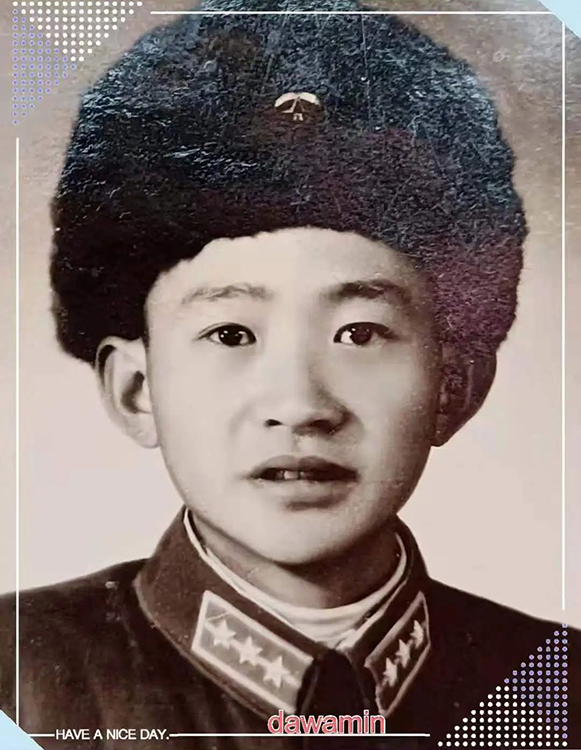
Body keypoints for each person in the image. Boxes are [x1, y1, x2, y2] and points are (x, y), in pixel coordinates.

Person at [1, 1, 578, 748]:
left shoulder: (552, 689)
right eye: (231, 333)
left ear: (454, 387)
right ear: (136, 390)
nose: (300, 405)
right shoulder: (17, 677)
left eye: (359, 333)